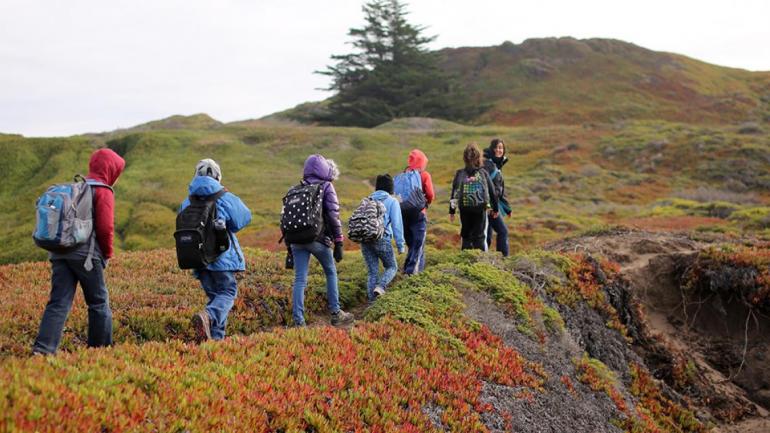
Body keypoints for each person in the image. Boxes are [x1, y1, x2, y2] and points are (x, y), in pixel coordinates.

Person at [32, 148, 125, 355]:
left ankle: (43, 350)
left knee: (58, 302)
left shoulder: (77, 187)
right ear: (111, 170)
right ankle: (99, 352)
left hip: (59, 253)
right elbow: (105, 228)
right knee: (98, 302)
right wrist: (107, 254)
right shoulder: (103, 191)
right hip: (86, 257)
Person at [181, 159, 252, 341]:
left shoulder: (187, 201)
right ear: (218, 176)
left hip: (198, 260)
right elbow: (243, 218)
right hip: (221, 258)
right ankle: (208, 317)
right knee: (227, 294)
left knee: (217, 299)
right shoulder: (224, 197)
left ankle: (215, 342)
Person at [289, 154, 354, 327]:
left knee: (300, 279)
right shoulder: (326, 186)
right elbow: (333, 215)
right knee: (330, 272)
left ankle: (298, 321)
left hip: (296, 240)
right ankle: (335, 313)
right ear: (325, 169)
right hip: (318, 239)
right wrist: (339, 242)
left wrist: (290, 248)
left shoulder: (296, 188)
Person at [362, 174, 405, 302]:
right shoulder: (392, 201)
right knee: (392, 267)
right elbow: (397, 225)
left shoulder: (368, 200)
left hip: (365, 239)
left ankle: (371, 304)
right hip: (382, 239)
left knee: (372, 272)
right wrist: (400, 245)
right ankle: (381, 286)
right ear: (390, 187)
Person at [449, 143, 499, 250]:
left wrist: (452, 211)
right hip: (480, 208)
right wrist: (495, 209)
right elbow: (492, 192)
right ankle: (480, 263)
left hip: (464, 208)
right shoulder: (483, 173)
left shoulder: (460, 173)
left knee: (466, 235)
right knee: (480, 236)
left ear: (465, 158)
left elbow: (454, 193)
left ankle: (465, 262)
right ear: (478, 158)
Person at [399, 149, 435, 274]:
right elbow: (430, 194)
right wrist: (426, 203)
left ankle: (411, 271)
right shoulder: (424, 175)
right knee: (418, 245)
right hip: (419, 214)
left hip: (403, 214)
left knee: (413, 246)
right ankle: (412, 274)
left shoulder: (404, 175)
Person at [483, 138, 512, 256]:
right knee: (503, 231)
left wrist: (507, 208)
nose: (499, 150)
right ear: (492, 149)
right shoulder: (488, 165)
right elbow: (486, 187)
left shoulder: (496, 165)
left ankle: (482, 259)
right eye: (497, 147)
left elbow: (500, 190)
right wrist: (491, 207)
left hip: (491, 206)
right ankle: (504, 259)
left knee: (488, 236)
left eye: (501, 148)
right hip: (488, 207)